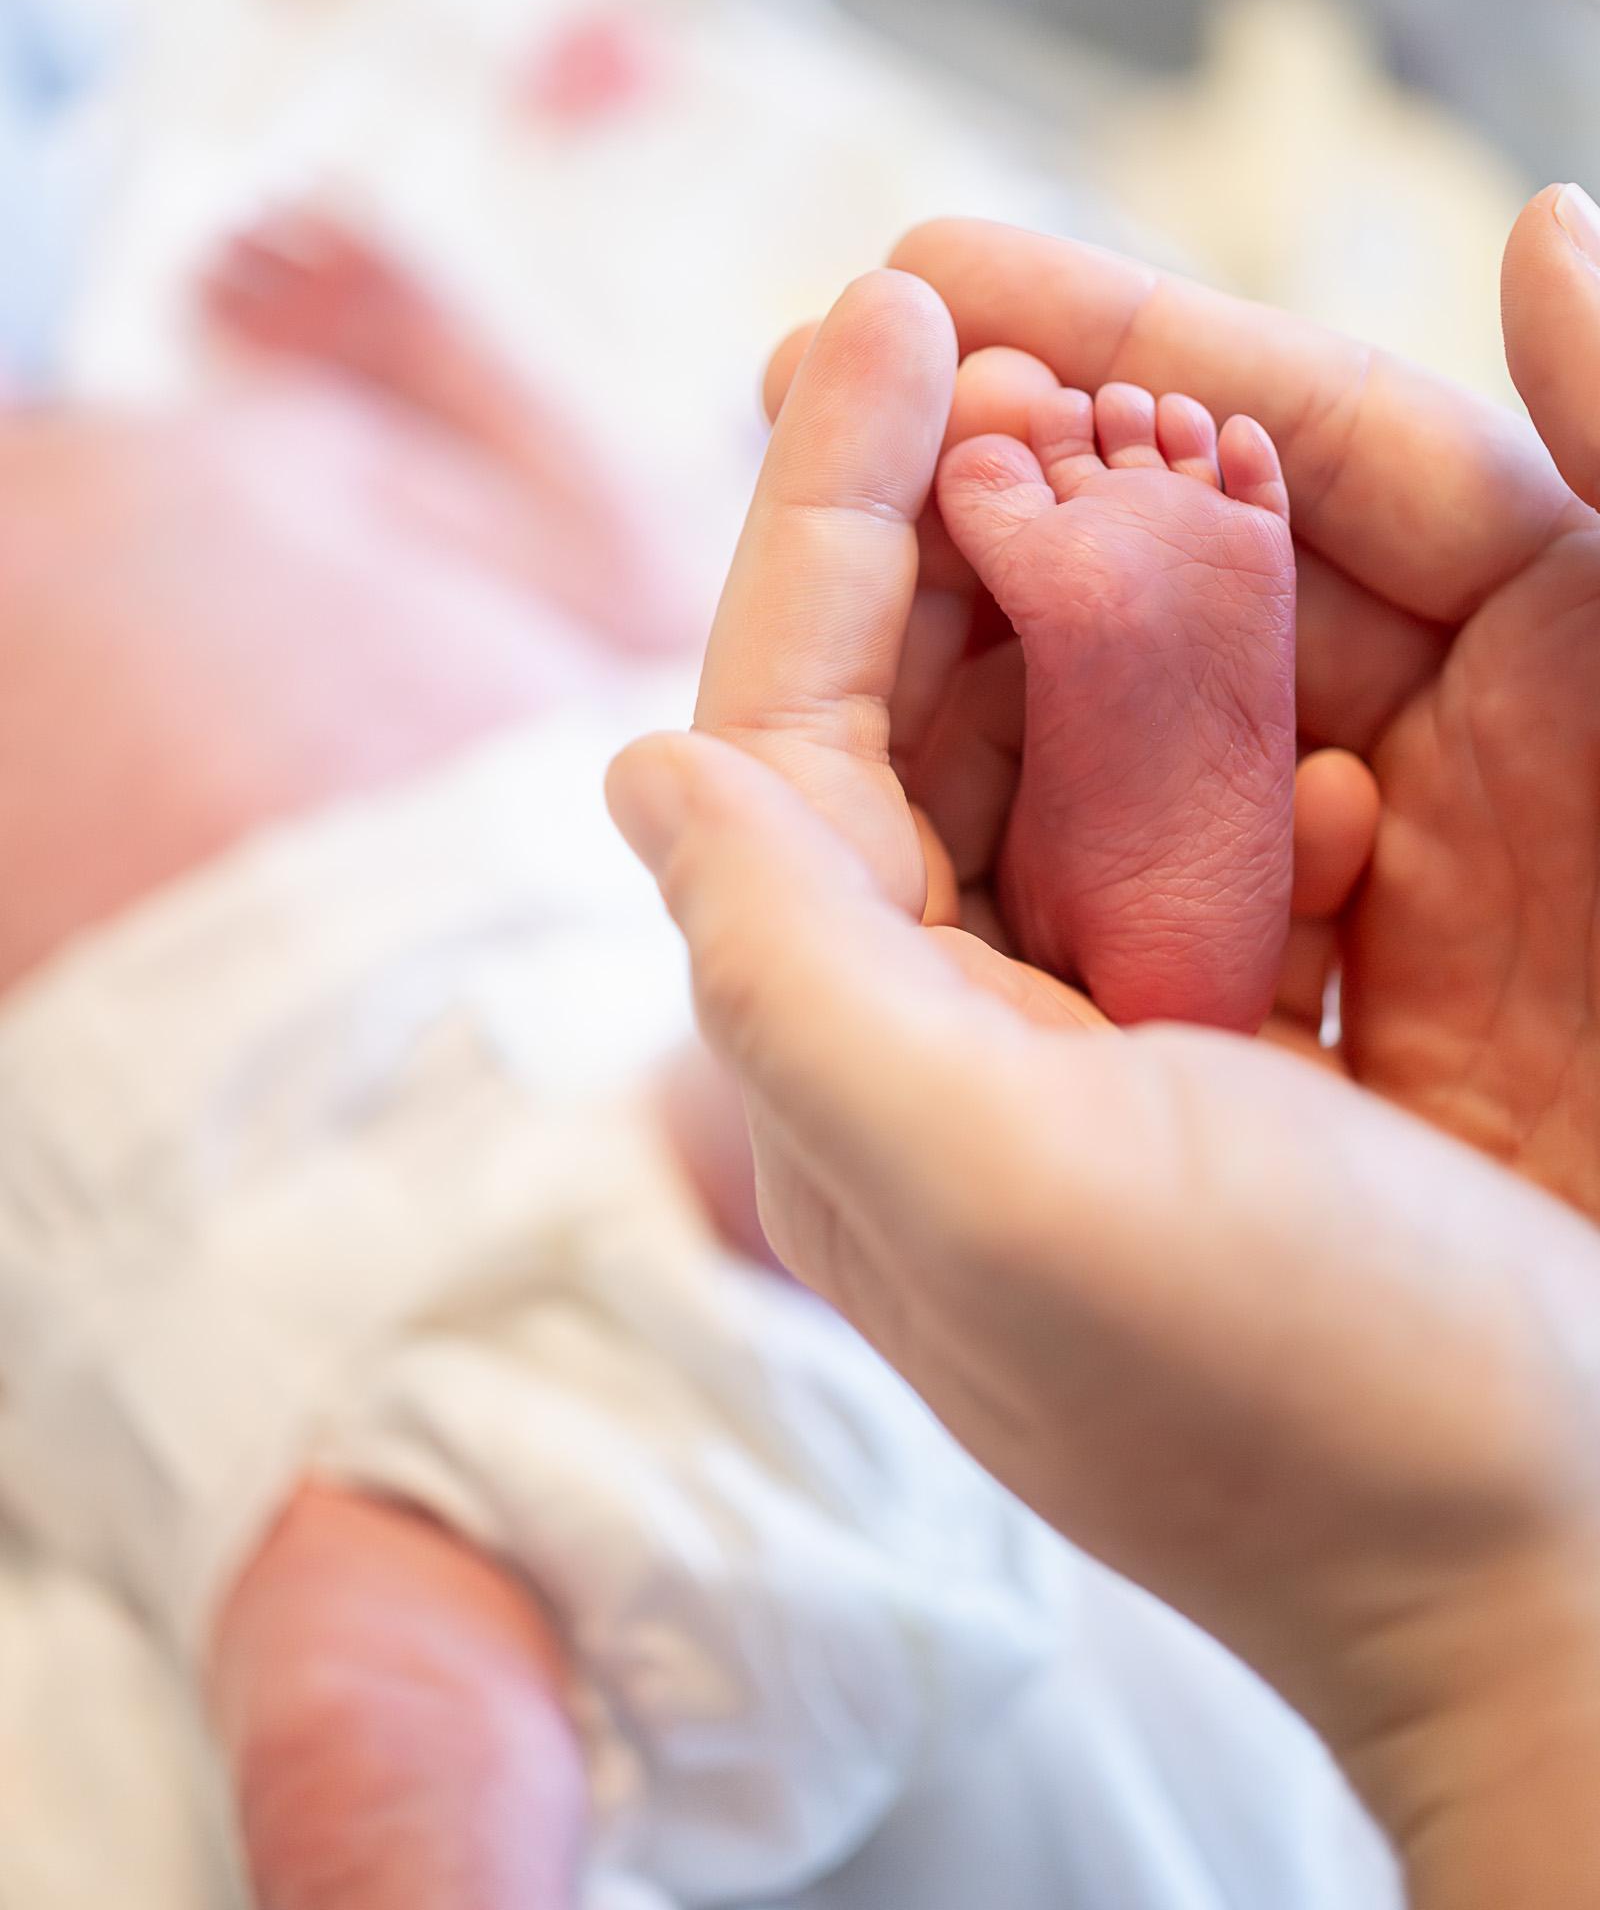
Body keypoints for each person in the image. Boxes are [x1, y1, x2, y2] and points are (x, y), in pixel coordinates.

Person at [0, 212, 1066, 1910]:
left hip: (627, 1005)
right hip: (284, 1228)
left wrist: (442, 366)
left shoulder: (251, 428)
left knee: (832, 975)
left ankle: (993, 921)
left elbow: (658, 592)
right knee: (378, 1735)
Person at [608, 181, 1600, 1909]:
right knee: (723, 1152)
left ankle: (1126, 968)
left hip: (466, 885)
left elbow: (592, 561)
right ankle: (1144, 953)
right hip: (429, 982)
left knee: (746, 1122)